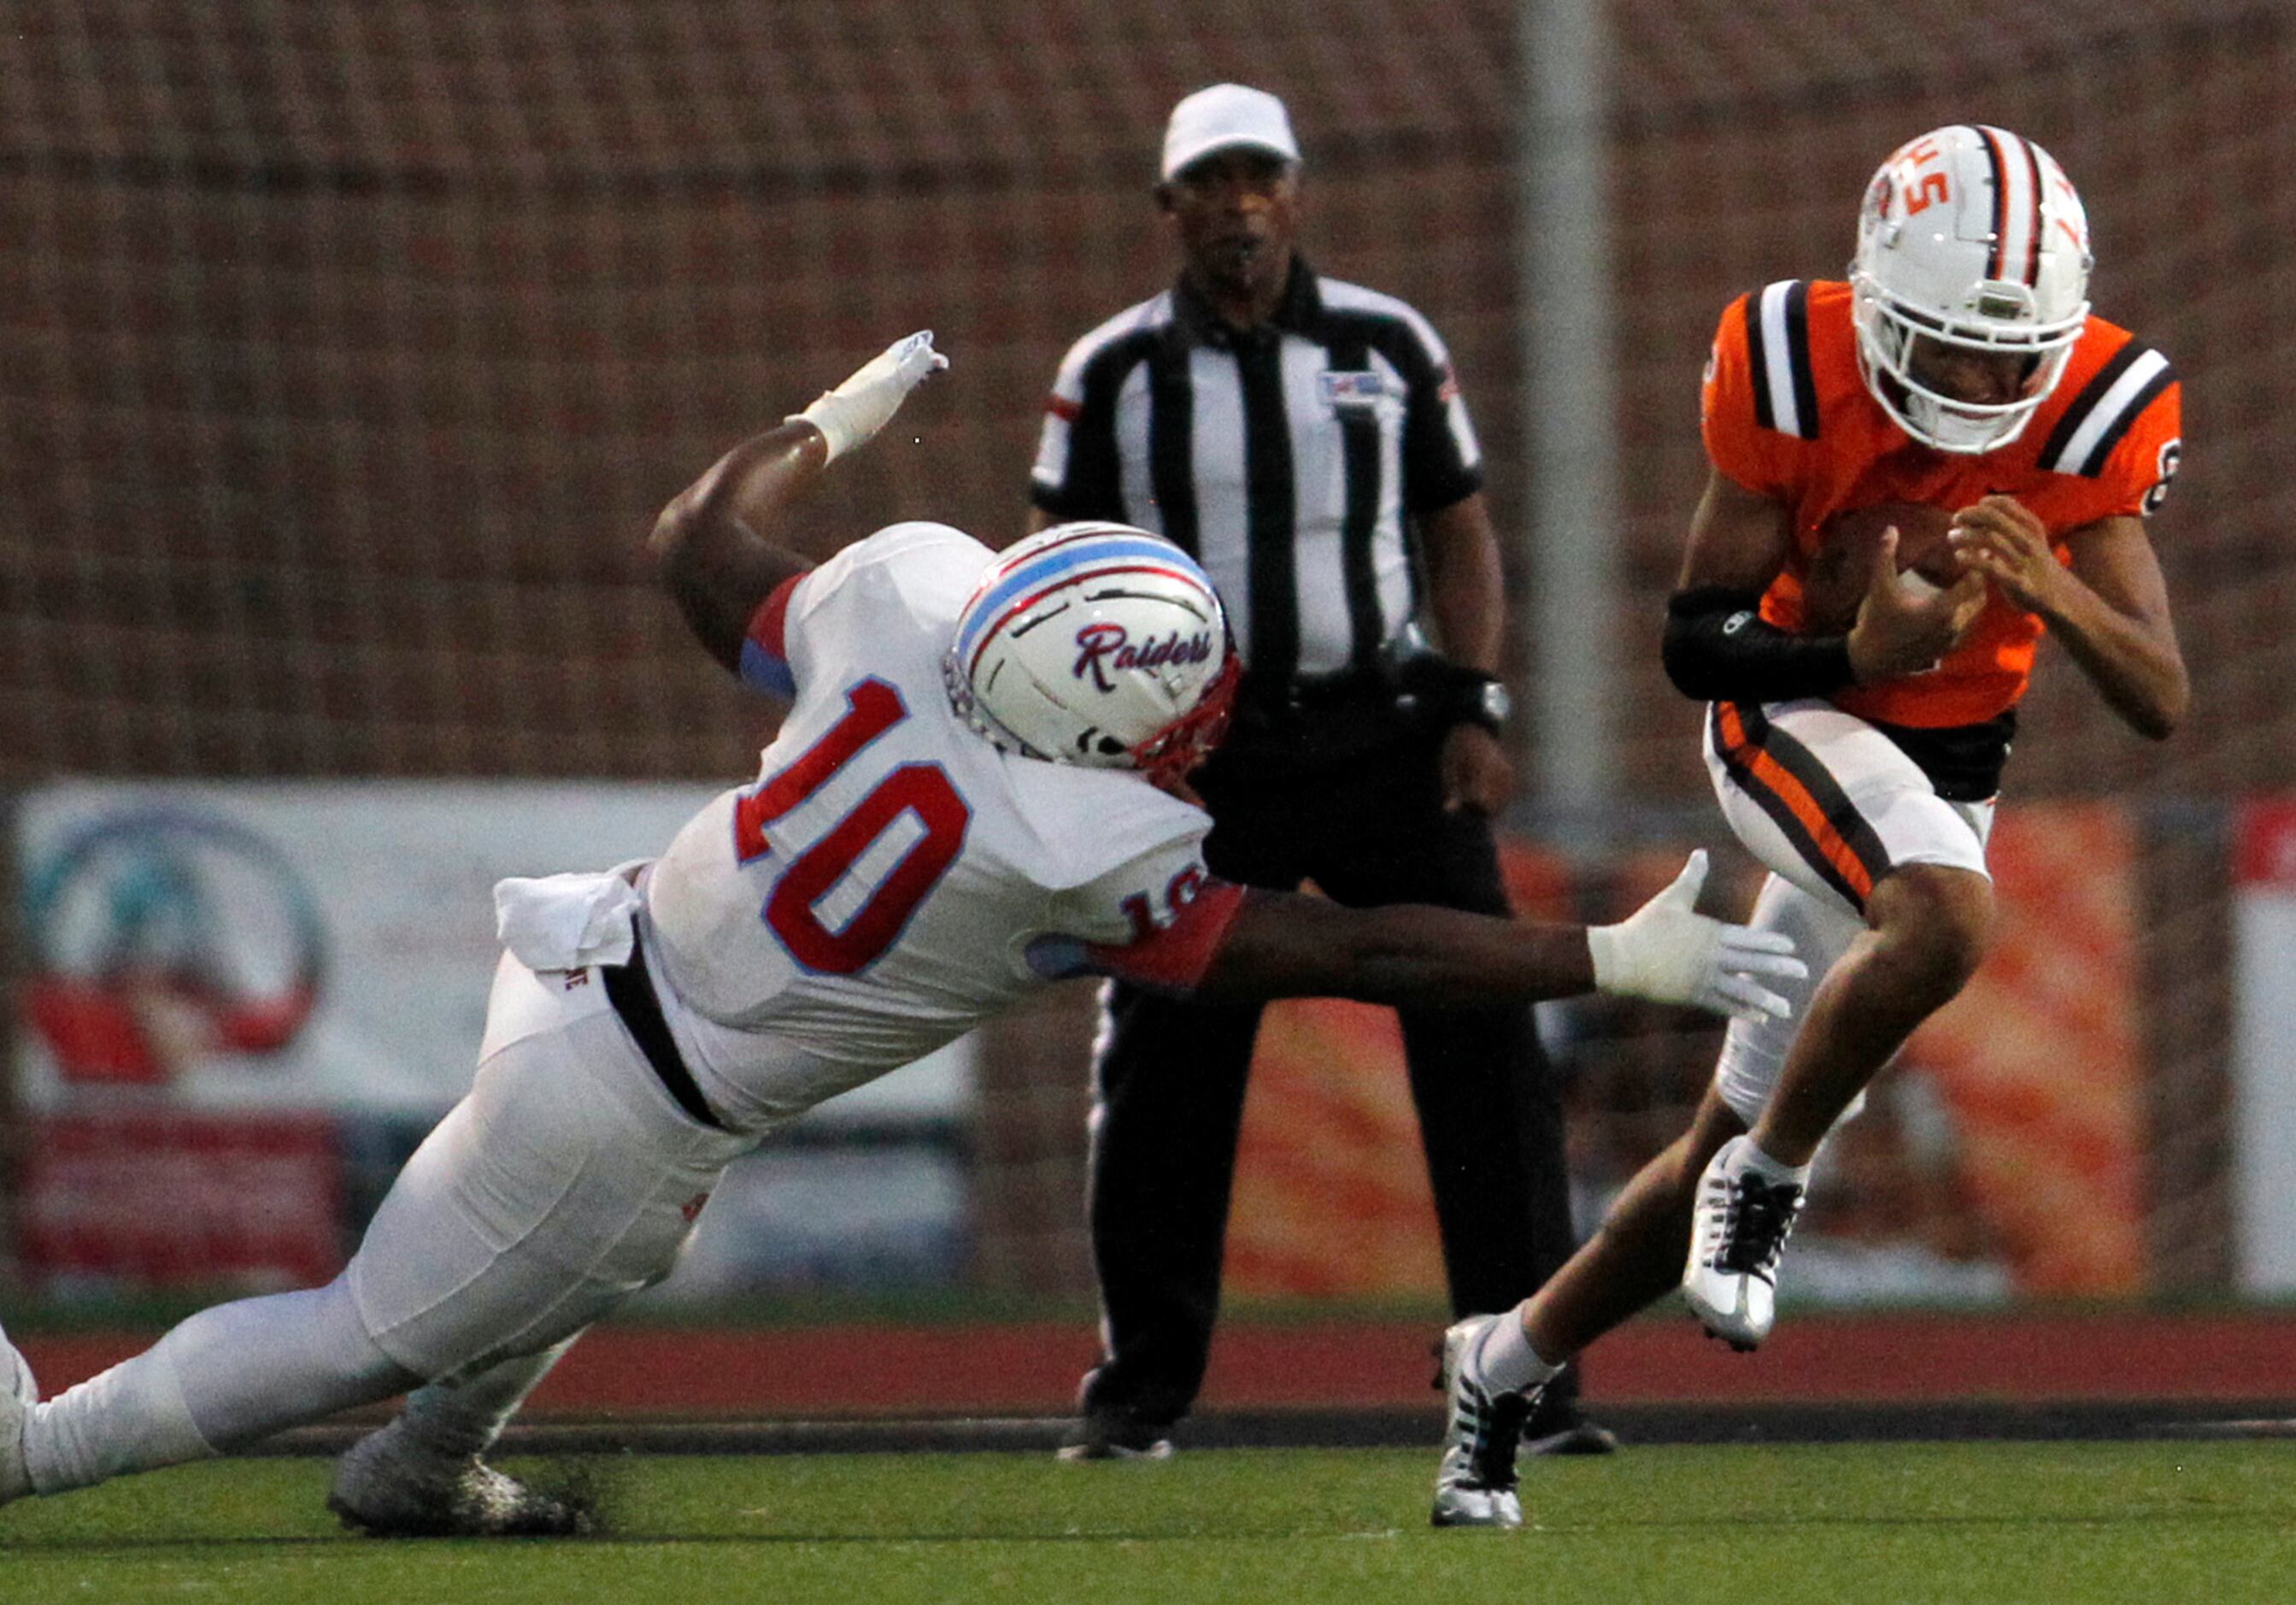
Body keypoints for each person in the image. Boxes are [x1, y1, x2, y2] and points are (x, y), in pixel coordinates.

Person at [0, 332, 1802, 1533]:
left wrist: (834, 423)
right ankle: (36, 1452)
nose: (1194, 741)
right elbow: (1359, 956)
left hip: (581, 955)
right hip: (624, 1097)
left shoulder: (908, 600)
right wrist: (1603, 961)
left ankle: (423, 1473)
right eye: (1174, 716)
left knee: (590, 1264)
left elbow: (697, 532)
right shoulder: (1077, 841)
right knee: (355, 1330)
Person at [1426, 122, 2187, 1527]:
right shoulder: (1790, 360)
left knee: (1723, 1114)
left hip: (1948, 766)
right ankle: (1774, 1185)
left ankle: (1506, 1359)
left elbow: (2161, 695)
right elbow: (1696, 640)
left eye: (2007, 357)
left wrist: (2054, 586)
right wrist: (1858, 662)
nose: (1978, 383)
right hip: (1783, 723)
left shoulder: (2094, 407)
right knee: (1950, 916)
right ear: (1880, 302)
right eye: (1947, 346)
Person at [1028, 82, 1611, 1462]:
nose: (1239, 205)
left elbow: (1460, 534)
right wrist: (1089, 752)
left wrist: (1476, 704)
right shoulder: (1111, 370)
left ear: (1296, 193)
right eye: (1211, 182)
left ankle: (1524, 1380)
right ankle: (1138, 1392)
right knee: (1167, 1054)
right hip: (1196, 764)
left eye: (1261, 178)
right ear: (1167, 205)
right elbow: (1047, 572)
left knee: (1485, 1029)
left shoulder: (1387, 343)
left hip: (1382, 735)